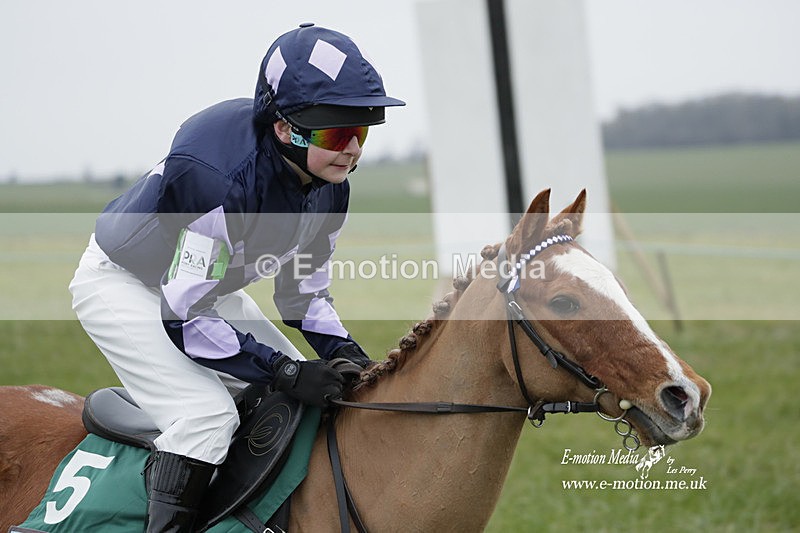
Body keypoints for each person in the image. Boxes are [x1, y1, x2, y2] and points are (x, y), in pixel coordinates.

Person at [68, 23, 404, 532]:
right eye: (338, 134)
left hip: (205, 287)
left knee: (309, 397)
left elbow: (303, 296)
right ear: (285, 128)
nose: (352, 150)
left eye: (361, 133)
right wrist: (286, 372)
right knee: (207, 418)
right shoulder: (220, 180)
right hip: (124, 284)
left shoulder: (331, 186)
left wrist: (346, 354)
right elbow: (183, 316)